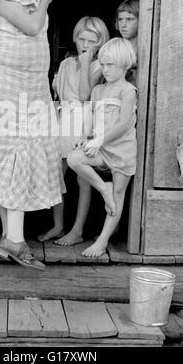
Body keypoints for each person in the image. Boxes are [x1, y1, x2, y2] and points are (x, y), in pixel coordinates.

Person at [0, 0, 158, 270]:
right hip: (0, 79)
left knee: (29, 149)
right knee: (8, 148)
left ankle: (13, 239)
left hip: (32, 81)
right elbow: (30, 25)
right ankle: (15, 239)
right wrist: (45, 0)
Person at [38, 16, 110, 245]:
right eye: (82, 39)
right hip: (64, 121)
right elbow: (58, 95)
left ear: (101, 42)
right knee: (56, 175)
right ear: (75, 38)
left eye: (92, 41)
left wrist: (87, 63)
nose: (85, 45)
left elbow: (84, 96)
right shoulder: (66, 64)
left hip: (85, 121)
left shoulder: (100, 66)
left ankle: (77, 230)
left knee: (83, 179)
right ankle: (59, 226)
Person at [67, 38, 137, 257]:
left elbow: (124, 124)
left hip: (121, 150)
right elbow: (90, 116)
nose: (104, 69)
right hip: (100, 149)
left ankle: (102, 241)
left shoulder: (127, 91)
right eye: (103, 64)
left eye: (110, 65)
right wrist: (84, 137)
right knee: (74, 158)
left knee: (118, 193)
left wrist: (99, 140)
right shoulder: (98, 90)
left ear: (125, 65)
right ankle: (102, 188)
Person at [115, 0, 139, 85]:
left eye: (129, 19)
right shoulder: (113, 48)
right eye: (120, 19)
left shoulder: (146, 50)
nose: (123, 25)